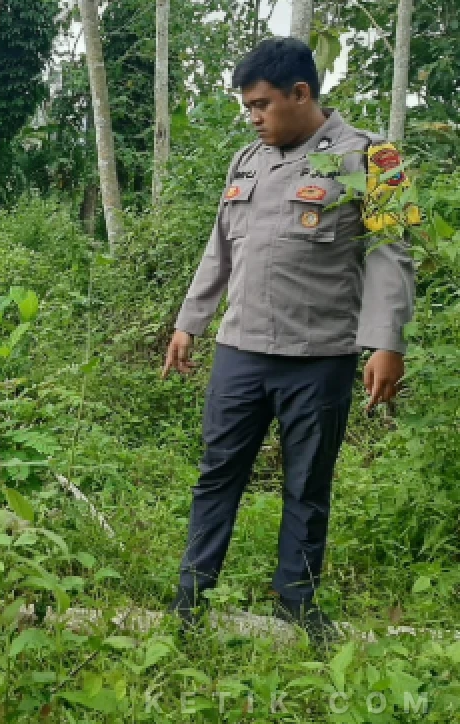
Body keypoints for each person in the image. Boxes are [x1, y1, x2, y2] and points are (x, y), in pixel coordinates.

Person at [160, 38, 417, 646]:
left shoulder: (375, 159)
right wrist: (187, 322)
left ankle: (296, 603)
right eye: (248, 107)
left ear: (300, 94)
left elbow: (394, 255)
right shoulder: (247, 160)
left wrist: (387, 343)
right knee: (218, 472)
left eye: (261, 104)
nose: (253, 117)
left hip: (320, 357)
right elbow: (218, 249)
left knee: (308, 481)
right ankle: (190, 597)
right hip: (240, 352)